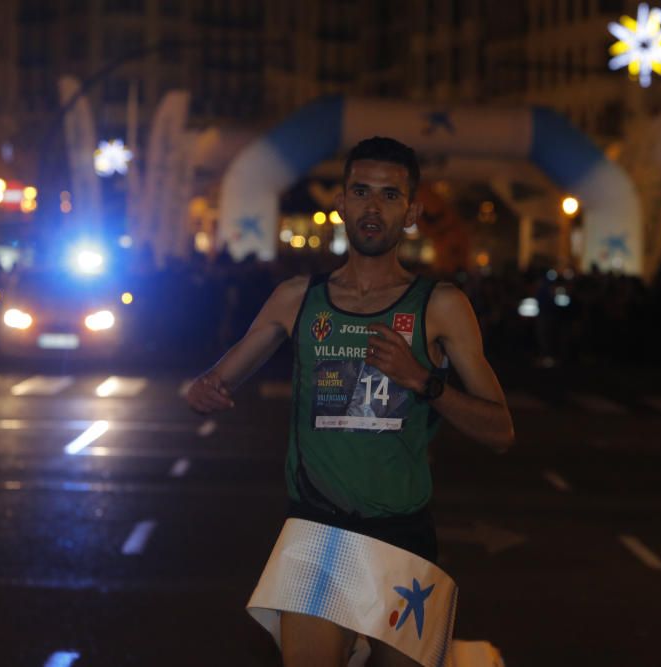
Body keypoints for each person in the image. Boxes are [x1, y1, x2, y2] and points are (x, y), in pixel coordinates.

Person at [186, 136, 514, 667]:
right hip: (317, 530)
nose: (372, 207)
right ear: (340, 202)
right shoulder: (298, 298)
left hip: (402, 534)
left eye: (389, 196)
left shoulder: (441, 306)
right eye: (361, 191)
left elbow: (500, 432)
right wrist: (204, 391)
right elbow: (219, 378)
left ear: (411, 213)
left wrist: (423, 381)